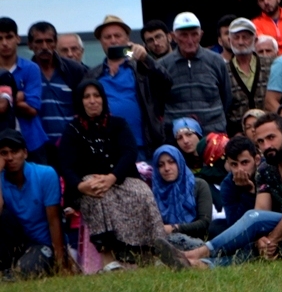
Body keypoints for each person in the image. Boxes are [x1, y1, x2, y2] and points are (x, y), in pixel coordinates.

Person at [179, 113, 282, 267]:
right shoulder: (265, 168)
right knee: (255, 248)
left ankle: (198, 253)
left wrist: (272, 239)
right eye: (261, 141)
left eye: (271, 138)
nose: (266, 145)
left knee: (256, 225)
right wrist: (262, 240)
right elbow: (261, 212)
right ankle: (202, 265)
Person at [59, 80, 172, 271]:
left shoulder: (118, 124)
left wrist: (112, 177)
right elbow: (65, 164)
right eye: (87, 97)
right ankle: (108, 260)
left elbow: (129, 152)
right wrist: (79, 186)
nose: (92, 101)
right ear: (80, 101)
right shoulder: (73, 130)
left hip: (119, 178)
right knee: (96, 191)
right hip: (87, 184)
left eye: (97, 96)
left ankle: (154, 252)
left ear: (103, 99)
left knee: (142, 192)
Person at [86, 15, 171, 159]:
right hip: (106, 149)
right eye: (107, 37)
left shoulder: (140, 68)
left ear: (127, 39)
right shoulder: (92, 74)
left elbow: (166, 83)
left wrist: (146, 58)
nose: (113, 40)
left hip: (141, 146)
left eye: (117, 36)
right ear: (101, 41)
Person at [0, 129, 66, 277]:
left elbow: (54, 221)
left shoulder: (45, 174)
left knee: (23, 271)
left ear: (25, 153)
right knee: (3, 217)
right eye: (4, 153)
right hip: (15, 241)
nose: (10, 158)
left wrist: (61, 263)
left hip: (42, 243)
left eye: (14, 152)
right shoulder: (1, 178)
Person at [158, 12, 232, 136]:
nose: (190, 40)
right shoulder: (162, 65)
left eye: (194, 34)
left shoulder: (216, 61)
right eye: (184, 35)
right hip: (177, 137)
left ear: (201, 35)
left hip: (214, 135)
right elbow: (158, 103)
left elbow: (226, 98)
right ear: (173, 37)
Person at [26, 21, 87, 165]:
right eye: (39, 42)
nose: (44, 46)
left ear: (55, 43)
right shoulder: (26, 72)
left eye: (49, 41)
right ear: (30, 45)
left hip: (71, 146)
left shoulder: (74, 70)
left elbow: (84, 108)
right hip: (37, 149)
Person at [0, 17, 47, 162]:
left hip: (31, 141)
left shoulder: (31, 68)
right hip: (2, 143)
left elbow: (32, 109)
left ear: (18, 39)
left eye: (9, 37)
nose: (4, 43)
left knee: (38, 176)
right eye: (0, 38)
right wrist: (19, 96)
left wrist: (6, 98)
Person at [152, 144, 212, 249]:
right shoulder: (154, 192)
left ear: (180, 162)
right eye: (161, 165)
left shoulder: (199, 185)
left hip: (198, 240)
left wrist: (174, 228)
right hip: (164, 241)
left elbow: (204, 222)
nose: (166, 168)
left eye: (171, 162)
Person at [224, 18, 270, 136]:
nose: (240, 42)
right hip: (237, 134)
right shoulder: (223, 70)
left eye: (245, 37)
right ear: (229, 40)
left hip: (269, 130)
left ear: (255, 40)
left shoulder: (270, 64)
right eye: (236, 37)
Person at [172, 117, 228, 209]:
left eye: (189, 134)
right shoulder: (179, 165)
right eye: (179, 138)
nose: (185, 141)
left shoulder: (215, 153)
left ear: (198, 134)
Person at [219, 135, 260, 229]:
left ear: (257, 160)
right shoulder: (227, 185)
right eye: (234, 164)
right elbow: (235, 224)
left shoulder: (267, 172)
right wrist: (248, 193)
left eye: (244, 163)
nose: (240, 169)